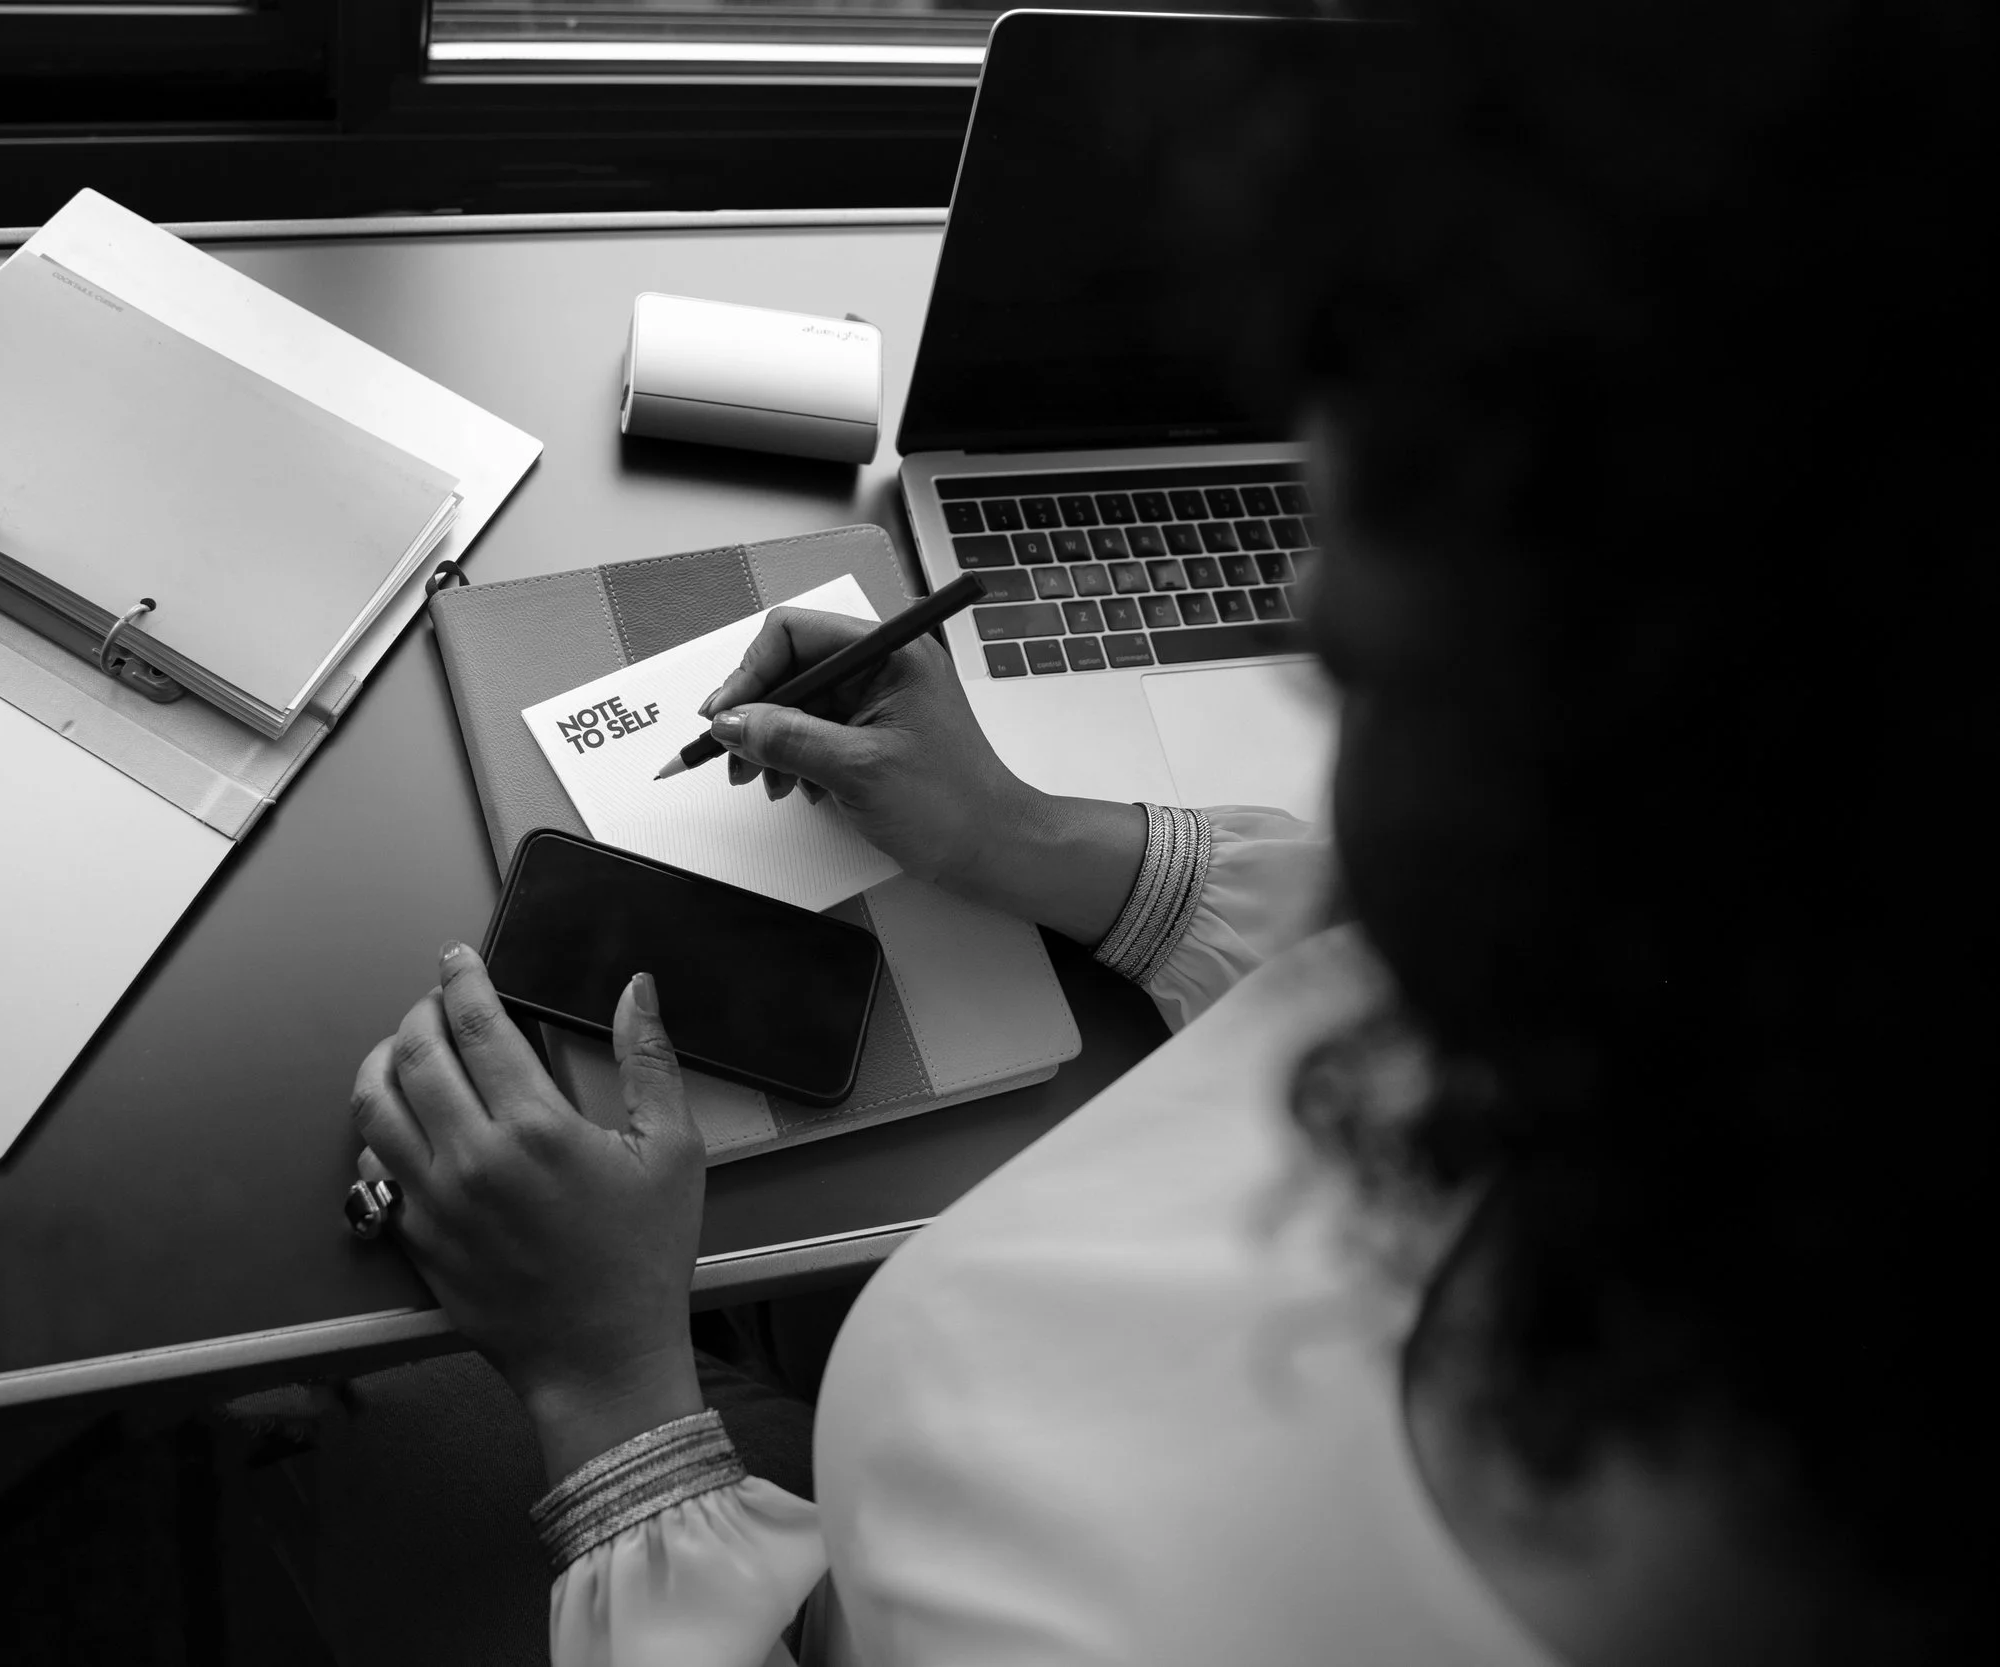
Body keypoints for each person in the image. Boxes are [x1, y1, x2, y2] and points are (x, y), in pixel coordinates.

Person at [343, 2, 1981, 1661]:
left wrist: (613, 1405)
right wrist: (1034, 840)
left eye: (1378, 665)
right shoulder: (1726, 1029)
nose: (1297, 605)